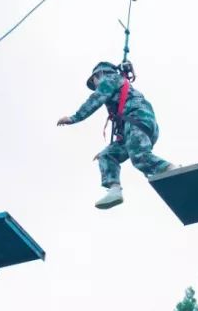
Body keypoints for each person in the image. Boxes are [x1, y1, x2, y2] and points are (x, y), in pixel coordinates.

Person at [57, 61, 174, 209]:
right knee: (106, 155)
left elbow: (96, 99)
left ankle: (171, 169)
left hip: (137, 119)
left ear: (98, 75)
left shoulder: (109, 79)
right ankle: (114, 190)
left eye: (94, 81)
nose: (95, 85)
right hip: (133, 125)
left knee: (139, 156)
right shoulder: (117, 82)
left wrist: (74, 117)